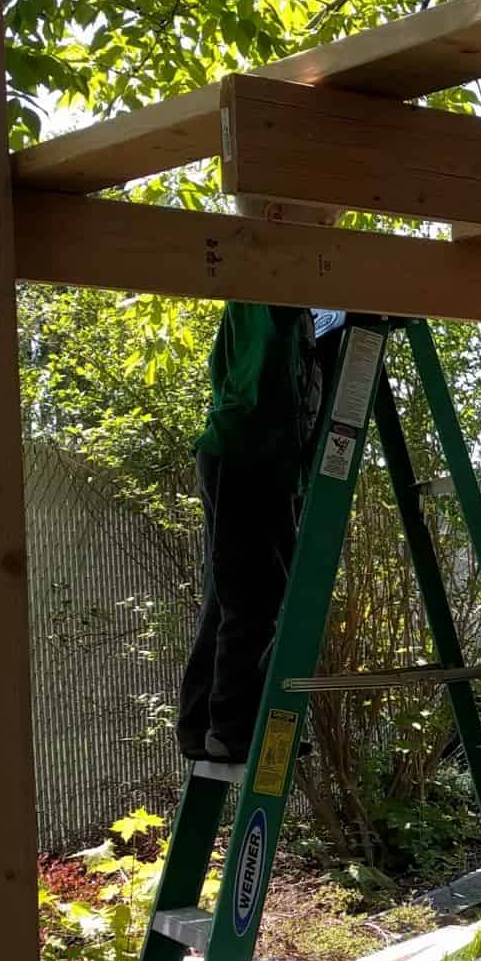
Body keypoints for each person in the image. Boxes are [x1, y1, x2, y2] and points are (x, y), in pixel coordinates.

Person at [177, 302, 336, 764]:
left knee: (229, 595)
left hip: (239, 447)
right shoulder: (271, 289)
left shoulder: (259, 297)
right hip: (252, 451)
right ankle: (234, 729)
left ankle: (201, 724)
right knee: (254, 594)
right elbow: (265, 376)